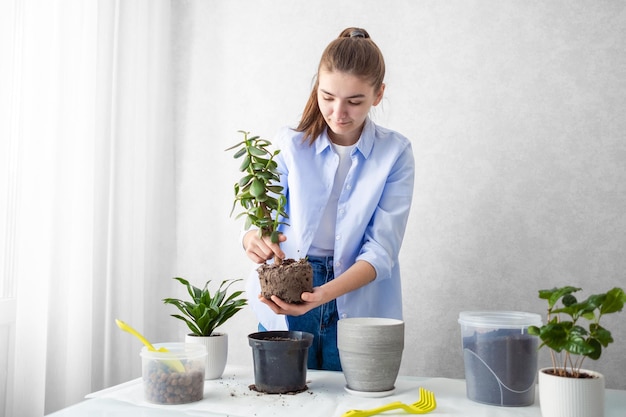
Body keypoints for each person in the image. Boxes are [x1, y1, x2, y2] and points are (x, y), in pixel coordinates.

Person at [242, 27, 415, 371]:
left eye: (354, 101)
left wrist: (324, 294)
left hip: (357, 295)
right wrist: (253, 238)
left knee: (351, 398)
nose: (338, 112)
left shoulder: (395, 153)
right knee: (284, 396)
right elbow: (260, 218)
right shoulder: (290, 145)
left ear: (378, 94)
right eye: (327, 97)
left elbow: (381, 250)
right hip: (287, 290)